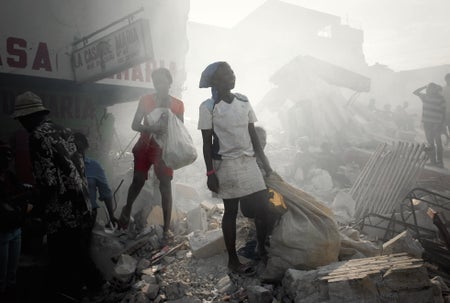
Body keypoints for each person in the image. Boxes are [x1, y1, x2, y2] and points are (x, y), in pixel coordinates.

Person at [11, 91, 94, 302]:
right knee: (77, 257)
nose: (22, 124)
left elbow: (48, 182)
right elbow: (79, 168)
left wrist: (31, 210)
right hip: (81, 204)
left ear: (28, 117)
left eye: (21, 120)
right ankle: (90, 290)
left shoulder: (37, 136)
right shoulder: (64, 130)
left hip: (62, 211)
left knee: (61, 261)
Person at [198, 61, 275, 276]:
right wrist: (210, 172)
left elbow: (253, 136)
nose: (232, 76)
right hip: (226, 165)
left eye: (232, 72)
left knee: (264, 209)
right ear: (215, 81)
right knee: (230, 212)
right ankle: (233, 260)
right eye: (226, 73)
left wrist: (266, 165)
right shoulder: (207, 107)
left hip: (248, 162)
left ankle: (261, 248)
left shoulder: (243, 101)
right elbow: (206, 143)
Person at [118, 68, 184, 241]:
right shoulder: (146, 100)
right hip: (145, 146)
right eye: (156, 82)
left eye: (163, 81)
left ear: (170, 82)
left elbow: (180, 129)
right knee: (138, 180)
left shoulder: (177, 104)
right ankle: (127, 208)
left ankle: (166, 229)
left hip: (164, 149)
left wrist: (167, 130)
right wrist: (151, 128)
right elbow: (134, 124)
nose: (159, 85)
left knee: (165, 185)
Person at [0, 141, 34, 302]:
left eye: (9, 155)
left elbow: (23, 196)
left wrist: (17, 202)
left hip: (15, 230)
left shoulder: (10, 176)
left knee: (12, 275)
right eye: (3, 155)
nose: (7, 159)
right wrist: (19, 202)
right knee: (1, 278)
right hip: (2, 233)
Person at [73, 132, 118, 227]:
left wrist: (111, 216)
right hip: (68, 213)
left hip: (88, 214)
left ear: (85, 147)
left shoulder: (94, 166)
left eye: (79, 148)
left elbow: (106, 193)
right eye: (74, 148)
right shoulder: (64, 165)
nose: (77, 151)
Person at [413, 83, 446, 167]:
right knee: (430, 142)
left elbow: (443, 112)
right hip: (427, 123)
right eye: (429, 88)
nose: (430, 89)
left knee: (438, 142)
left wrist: (442, 124)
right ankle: (433, 161)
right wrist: (424, 86)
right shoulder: (425, 97)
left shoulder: (440, 98)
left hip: (436, 123)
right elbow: (415, 92)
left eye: (432, 88)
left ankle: (440, 162)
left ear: (435, 89)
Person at [443, 74, 450, 139]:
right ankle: (448, 138)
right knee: (445, 126)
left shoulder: (444, 89)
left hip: (446, 111)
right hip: (445, 111)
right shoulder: (443, 89)